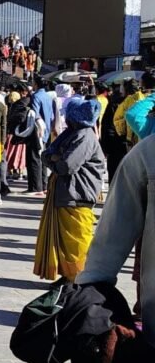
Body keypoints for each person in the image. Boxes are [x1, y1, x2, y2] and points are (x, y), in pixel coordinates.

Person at [76, 132, 155, 347]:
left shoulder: (147, 152)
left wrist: (88, 290)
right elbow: (111, 237)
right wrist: (88, 297)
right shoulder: (147, 154)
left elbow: (110, 238)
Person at [34, 97, 104, 282]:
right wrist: (54, 158)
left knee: (77, 241)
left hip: (77, 194)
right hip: (65, 193)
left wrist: (55, 159)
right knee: (65, 242)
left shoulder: (84, 136)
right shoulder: (71, 133)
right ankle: (68, 276)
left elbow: (66, 166)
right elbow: (46, 154)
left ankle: (80, 278)